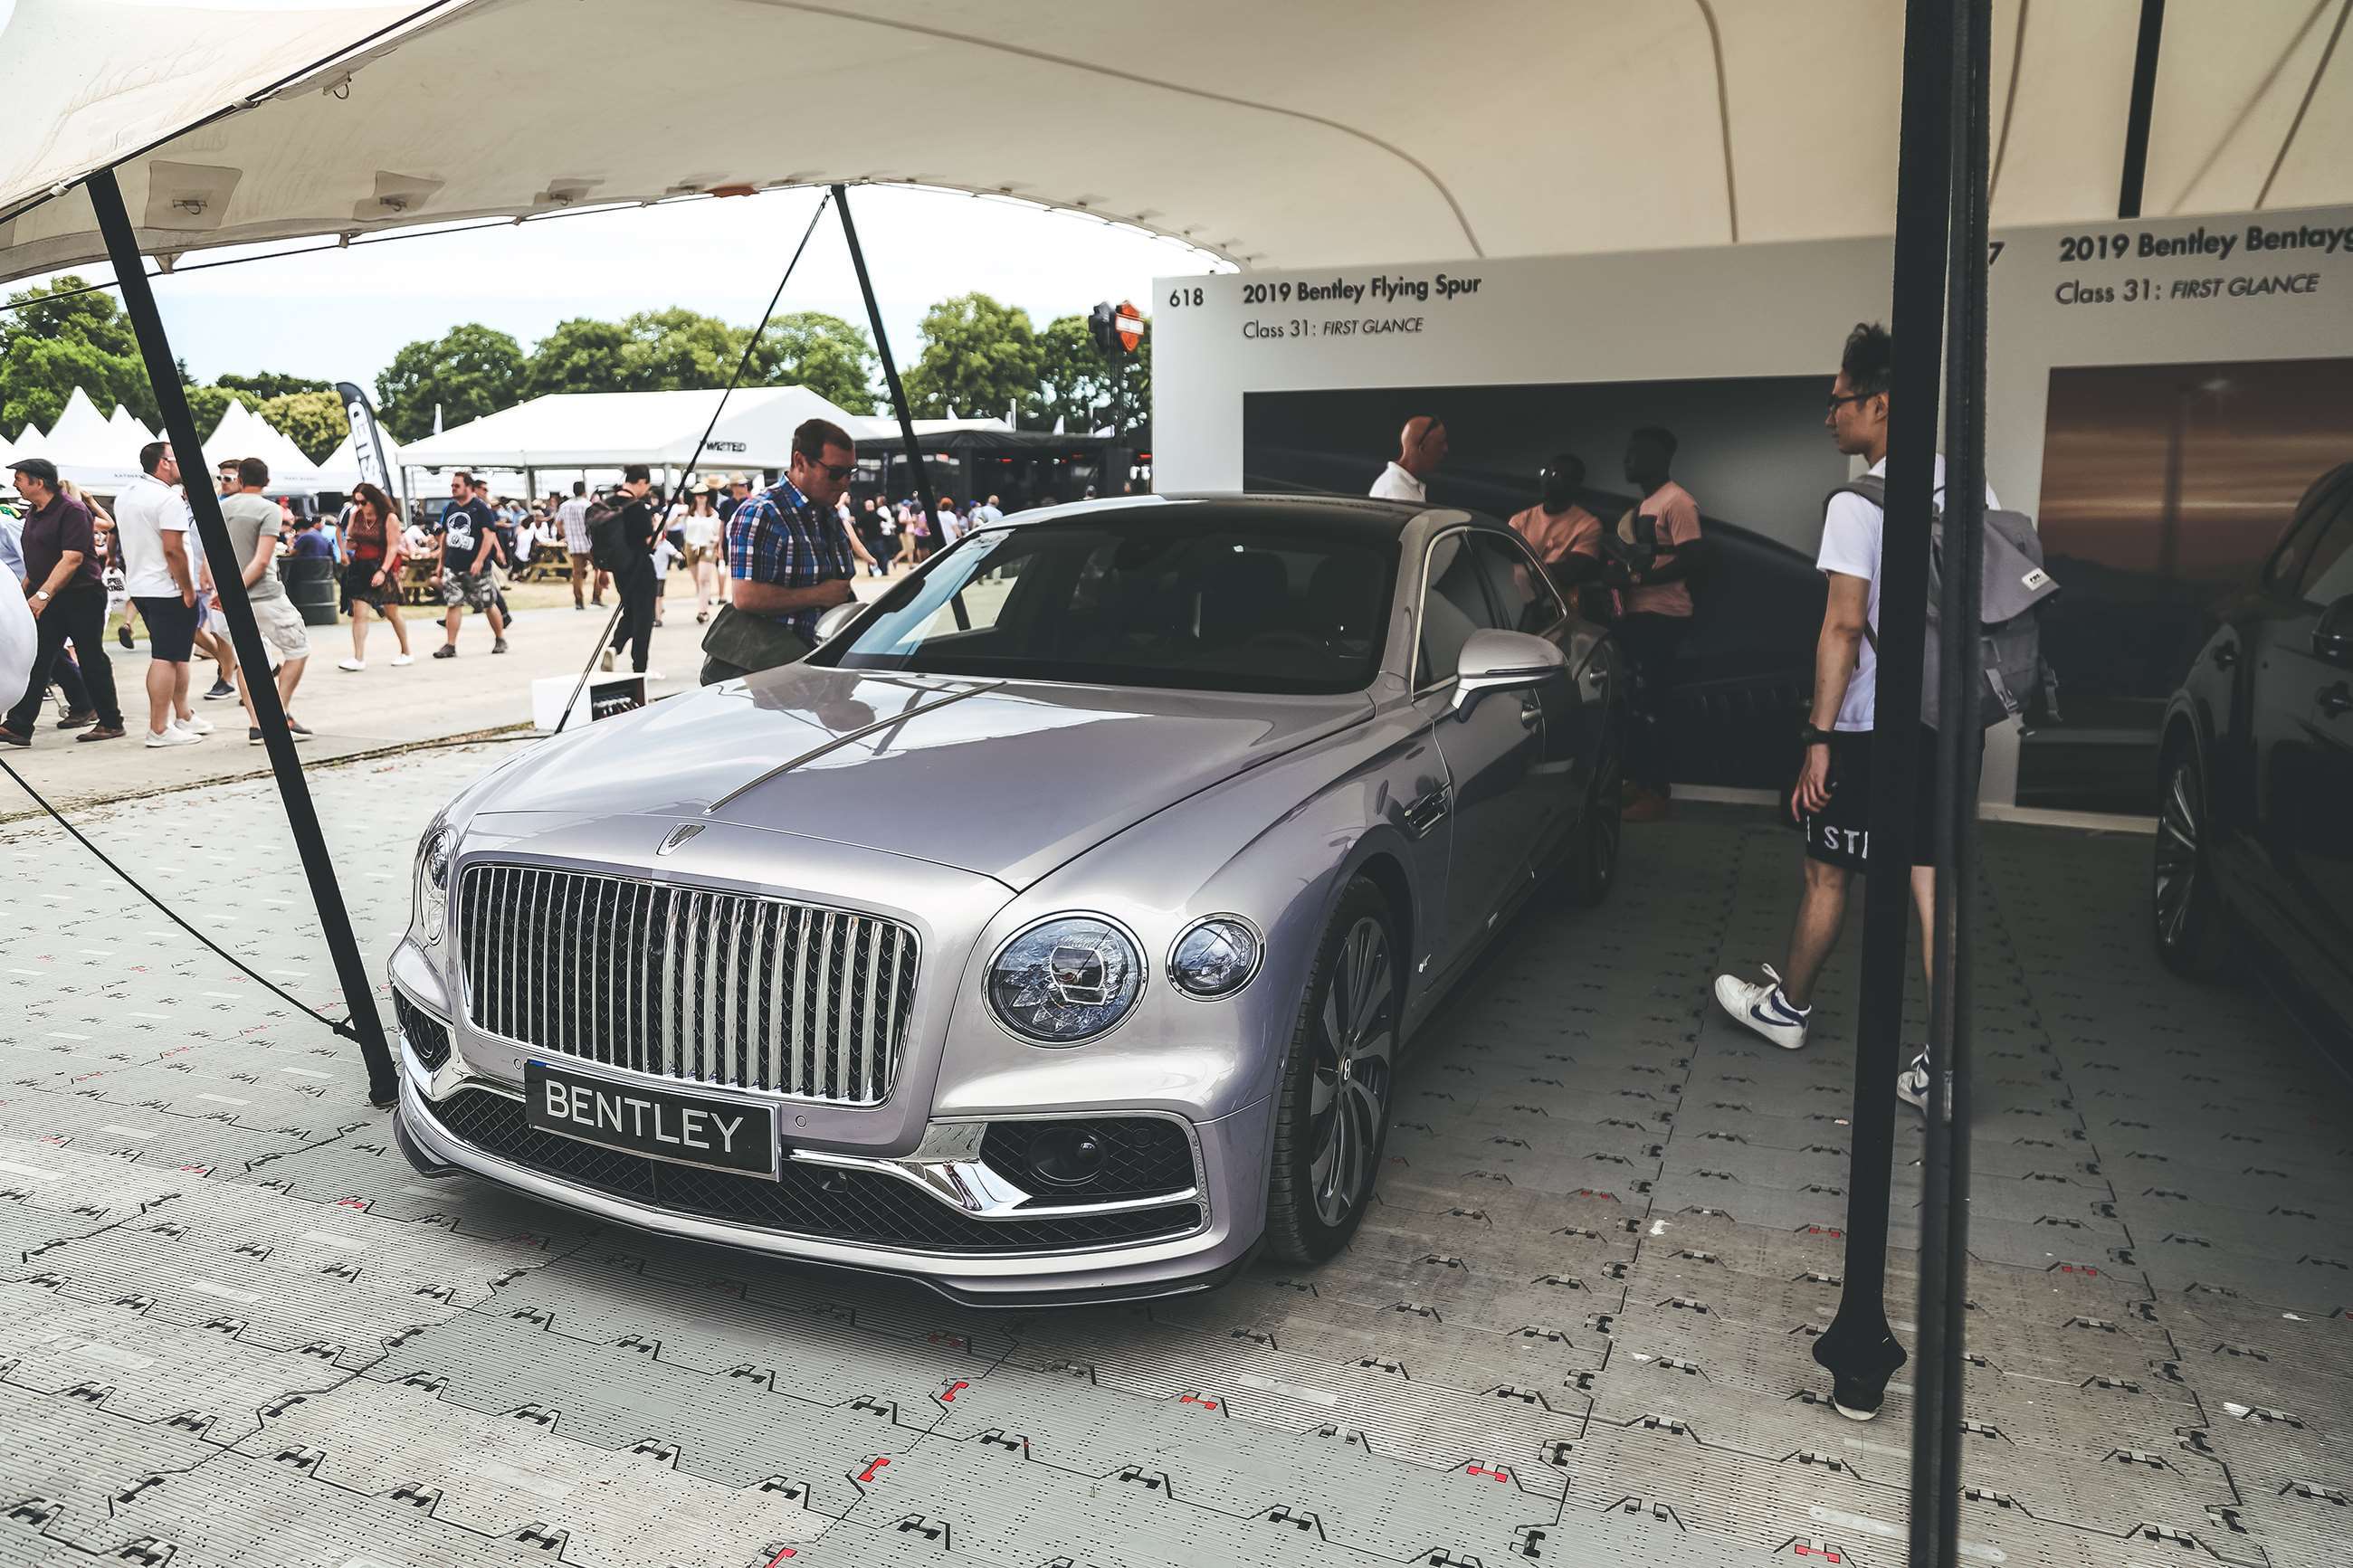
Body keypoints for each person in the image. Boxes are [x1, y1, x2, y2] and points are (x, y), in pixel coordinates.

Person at [1713, 322, 2000, 1114]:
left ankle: (1786, 1009)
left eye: (1838, 400)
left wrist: (1818, 738)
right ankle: (1944, 1067)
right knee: (1934, 885)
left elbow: (1842, 627)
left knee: (1826, 869)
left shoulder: (1856, 502)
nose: (1829, 416)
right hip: (1955, 716)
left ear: (1879, 404)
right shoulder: (1973, 489)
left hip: (1876, 724)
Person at [700, 419, 857, 685]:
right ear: (800, 462)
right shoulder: (762, 513)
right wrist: (819, 595)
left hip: (819, 673)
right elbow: (746, 597)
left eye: (850, 472)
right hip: (768, 679)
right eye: (835, 472)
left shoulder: (828, 515)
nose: (844, 482)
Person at [1606, 427, 1712, 822]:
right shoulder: (1646, 505)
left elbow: (1694, 559)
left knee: (1654, 707)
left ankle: (1657, 793)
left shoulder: (1679, 502)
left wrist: (1634, 580)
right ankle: (1642, 782)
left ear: (1657, 457)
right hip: (1639, 617)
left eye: (1634, 454)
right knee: (1636, 705)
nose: (1626, 461)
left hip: (1663, 619)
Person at [0, 458, 125, 746]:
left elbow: (72, 559)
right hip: (49, 595)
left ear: (38, 482)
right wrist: (23, 595)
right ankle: (19, 726)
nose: (15, 484)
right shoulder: (34, 512)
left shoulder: (72, 510)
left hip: (81, 596)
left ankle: (110, 721)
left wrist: (43, 595)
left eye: (19, 479)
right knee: (38, 658)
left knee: (91, 657)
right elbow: (35, 562)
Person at [112, 440, 213, 747]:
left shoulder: (127, 494)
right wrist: (186, 587)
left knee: (177, 653)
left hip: (142, 584)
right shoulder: (166, 499)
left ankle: (183, 714)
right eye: (177, 458)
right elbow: (173, 550)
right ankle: (159, 728)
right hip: (167, 588)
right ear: (164, 463)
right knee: (166, 657)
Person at [218, 457, 317, 744]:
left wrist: (220, 591)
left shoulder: (222, 509)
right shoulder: (269, 510)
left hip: (234, 600)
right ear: (267, 481)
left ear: (239, 479)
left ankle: (257, 724)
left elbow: (214, 557)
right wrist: (234, 590)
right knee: (298, 650)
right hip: (264, 595)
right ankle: (279, 714)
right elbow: (261, 561)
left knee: (249, 662)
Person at [1508, 453, 1605, 604]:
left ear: (1575, 483)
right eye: (1545, 472)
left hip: (1558, 609)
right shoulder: (1520, 520)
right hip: (1515, 603)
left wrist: (1528, 570)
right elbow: (1507, 564)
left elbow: (1573, 572)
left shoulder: (1588, 525)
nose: (1547, 479)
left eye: (1555, 475)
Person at [431, 470, 508, 658]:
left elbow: (489, 536)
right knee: (453, 604)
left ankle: (500, 638)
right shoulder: (451, 508)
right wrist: (441, 562)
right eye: (452, 485)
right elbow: (445, 536)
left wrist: (480, 560)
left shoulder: (480, 508)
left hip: (477, 567)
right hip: (453, 565)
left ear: (468, 487)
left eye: (457, 485)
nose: (453, 489)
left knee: (488, 603)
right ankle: (450, 645)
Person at [338, 482, 413, 670]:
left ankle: (406, 651)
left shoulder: (389, 518)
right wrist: (348, 547)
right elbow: (350, 538)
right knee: (359, 614)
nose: (360, 506)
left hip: (380, 565)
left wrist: (383, 571)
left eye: (363, 502)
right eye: (356, 502)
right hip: (360, 566)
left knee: (392, 613)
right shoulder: (356, 515)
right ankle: (358, 657)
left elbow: (393, 546)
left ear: (374, 500)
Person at [600, 467, 661, 676]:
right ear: (642, 481)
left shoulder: (607, 504)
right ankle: (639, 668)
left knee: (630, 612)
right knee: (644, 618)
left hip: (619, 569)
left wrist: (602, 571)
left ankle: (614, 648)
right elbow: (649, 543)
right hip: (641, 568)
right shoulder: (637, 508)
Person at [1370, 415, 1446, 501]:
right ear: (1423, 448)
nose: (1445, 449)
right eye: (1440, 443)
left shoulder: (1400, 484)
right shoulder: (1397, 492)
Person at [681, 489, 725, 620]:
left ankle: (703, 611)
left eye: (703, 494)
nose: (700, 497)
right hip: (691, 547)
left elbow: (719, 532)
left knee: (704, 579)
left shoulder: (714, 515)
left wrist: (717, 543)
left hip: (708, 546)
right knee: (698, 581)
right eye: (698, 494)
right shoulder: (688, 514)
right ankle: (705, 600)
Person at [557, 480, 600, 609]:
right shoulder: (588, 505)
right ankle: (596, 597)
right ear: (584, 491)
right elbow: (595, 523)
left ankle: (579, 601)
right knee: (599, 569)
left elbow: (558, 523)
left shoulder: (565, 506)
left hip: (574, 544)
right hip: (589, 544)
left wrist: (565, 535)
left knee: (577, 573)